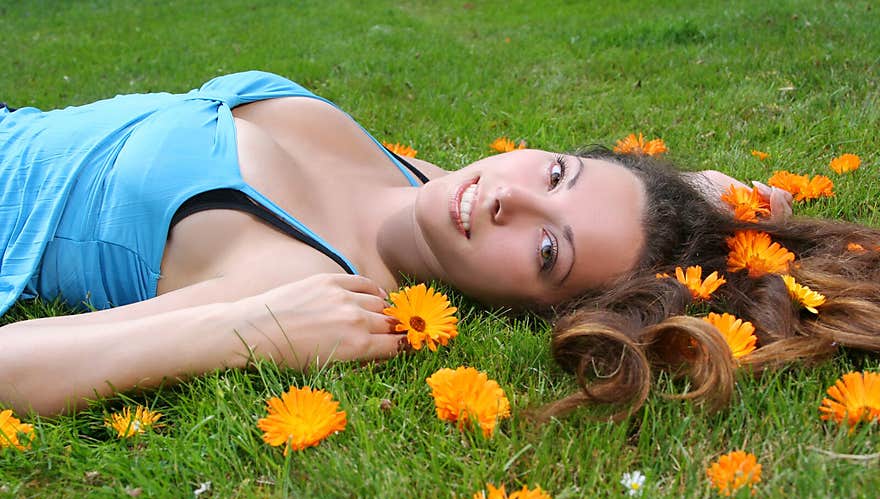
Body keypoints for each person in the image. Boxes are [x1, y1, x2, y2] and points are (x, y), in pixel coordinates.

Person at [0, 69, 862, 421]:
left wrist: (251, 331)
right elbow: (553, 200)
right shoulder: (416, 184)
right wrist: (716, 201)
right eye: (557, 172)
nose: (505, 198)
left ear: (541, 307)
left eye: (547, 253)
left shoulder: (295, 272)